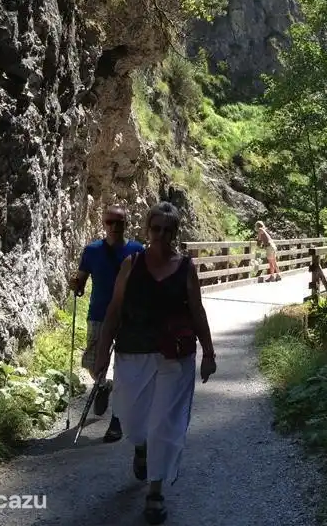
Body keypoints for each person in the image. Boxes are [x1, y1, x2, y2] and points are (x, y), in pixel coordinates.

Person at [93, 201, 217, 525]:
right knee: (133, 420)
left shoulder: (185, 267)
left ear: (175, 233)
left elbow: (197, 311)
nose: (161, 235)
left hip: (175, 356)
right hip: (133, 352)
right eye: (156, 228)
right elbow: (114, 311)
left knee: (165, 423)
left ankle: (156, 491)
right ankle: (141, 447)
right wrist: (102, 353)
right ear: (147, 230)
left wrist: (209, 353)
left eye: (167, 230)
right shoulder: (131, 264)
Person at [70, 205, 144, 443]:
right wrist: (76, 285)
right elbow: (81, 279)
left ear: (126, 223)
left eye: (119, 222)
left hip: (128, 316)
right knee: (94, 364)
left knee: (124, 367)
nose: (114, 226)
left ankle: (117, 420)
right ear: (103, 224)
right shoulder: (92, 251)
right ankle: (102, 385)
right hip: (99, 313)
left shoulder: (137, 250)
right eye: (110, 222)